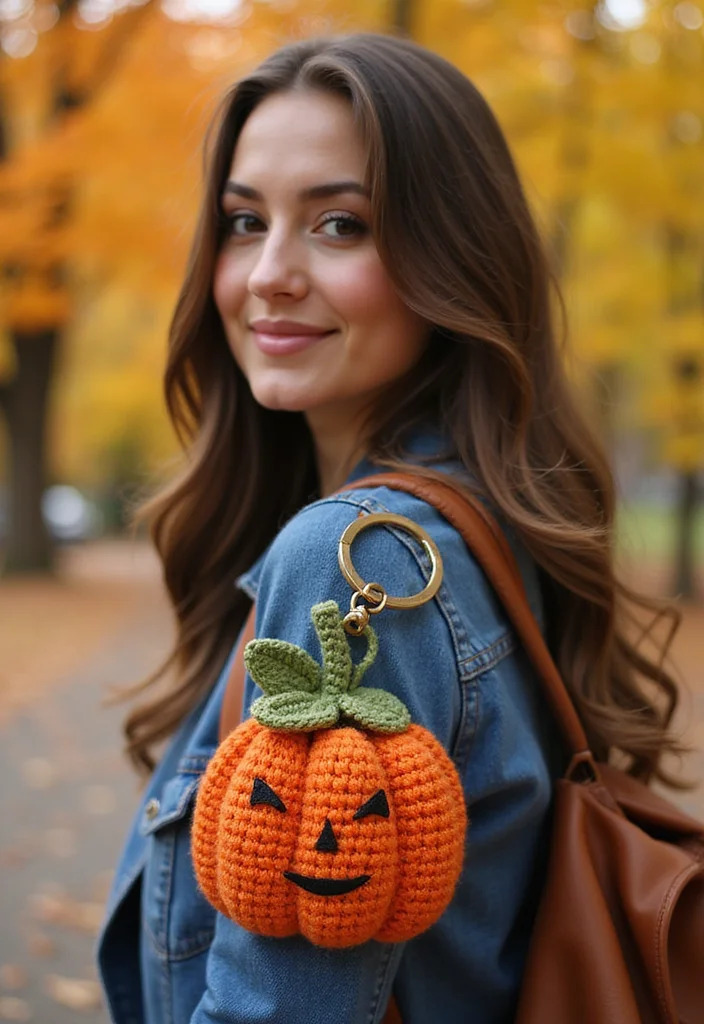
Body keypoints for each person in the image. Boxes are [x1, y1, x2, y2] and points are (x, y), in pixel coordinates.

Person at [96, 32, 684, 1024]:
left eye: (338, 224)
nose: (268, 273)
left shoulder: (355, 561)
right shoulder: (473, 527)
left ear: (451, 255)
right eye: (244, 221)